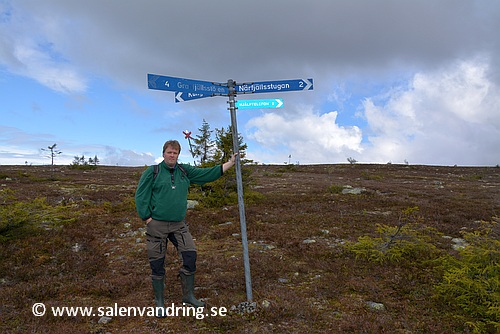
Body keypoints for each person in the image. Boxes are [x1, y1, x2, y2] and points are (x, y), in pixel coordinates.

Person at [135, 139, 237, 317]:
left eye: (175, 153)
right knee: (157, 263)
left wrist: (230, 163)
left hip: (178, 225)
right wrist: (147, 218)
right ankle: (160, 302)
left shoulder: (185, 171)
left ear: (178, 155)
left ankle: (188, 296)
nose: (172, 155)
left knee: (190, 255)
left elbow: (207, 174)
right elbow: (141, 195)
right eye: (169, 152)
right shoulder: (152, 172)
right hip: (156, 225)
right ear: (163, 153)